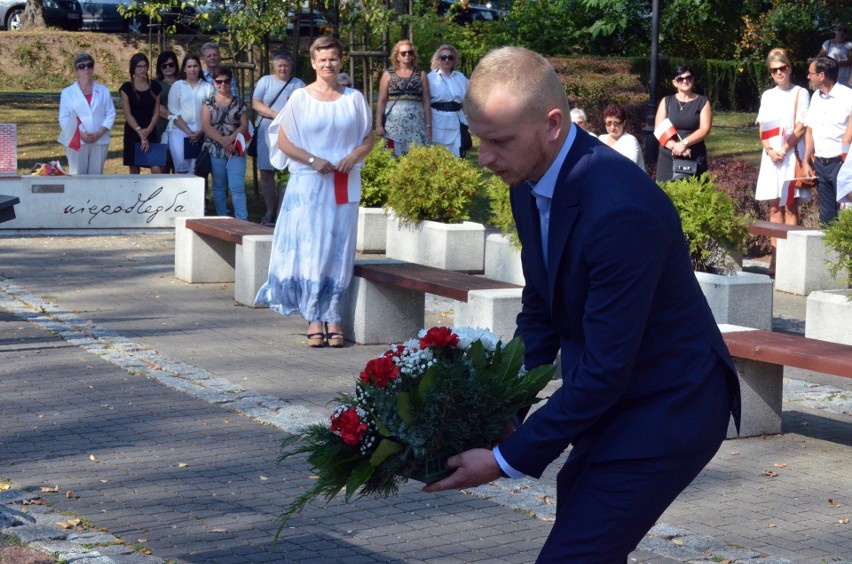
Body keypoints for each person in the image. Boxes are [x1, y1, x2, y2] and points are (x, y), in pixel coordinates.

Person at [422, 46, 741, 563]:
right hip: (614, 394)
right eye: (479, 139)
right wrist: (503, 407)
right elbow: (542, 314)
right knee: (582, 531)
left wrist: (504, 458)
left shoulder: (620, 208)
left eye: (499, 141)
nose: (484, 158)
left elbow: (605, 370)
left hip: (669, 403)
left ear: (552, 124)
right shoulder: (527, 181)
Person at [254, 36, 373, 348]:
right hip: (310, 182)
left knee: (339, 246)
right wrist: (312, 159)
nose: (328, 64)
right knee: (312, 247)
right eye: (322, 59)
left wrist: (352, 156)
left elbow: (367, 139)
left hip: (343, 182)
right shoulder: (300, 98)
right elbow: (283, 140)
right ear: (313, 63)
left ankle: (334, 315)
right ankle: (313, 316)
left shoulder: (354, 99)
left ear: (340, 60)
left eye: (333, 58)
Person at [754, 48, 809, 269]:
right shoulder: (768, 95)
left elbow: (802, 126)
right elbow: (762, 126)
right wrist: (769, 150)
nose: (779, 73)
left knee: (790, 206)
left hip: (789, 155)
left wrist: (784, 149)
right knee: (774, 207)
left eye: (782, 68)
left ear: (789, 68)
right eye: (774, 69)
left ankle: (790, 260)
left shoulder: (800, 92)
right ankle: (776, 257)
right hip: (772, 156)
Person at [251, 49, 305, 225]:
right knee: (266, 172)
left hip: (290, 130)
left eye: (286, 66)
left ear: (291, 67)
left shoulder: (298, 84)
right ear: (274, 66)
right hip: (267, 127)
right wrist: (275, 114)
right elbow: (256, 103)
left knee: (284, 173)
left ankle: (282, 211)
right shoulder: (265, 81)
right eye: (280, 66)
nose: (283, 69)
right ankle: (269, 211)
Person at [804, 56, 852, 225]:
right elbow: (810, 130)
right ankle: (828, 251)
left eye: (811, 73)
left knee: (846, 215)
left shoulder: (848, 97)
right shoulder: (816, 97)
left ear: (822, 75)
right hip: (821, 164)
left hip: (842, 164)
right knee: (827, 217)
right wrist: (806, 161)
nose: (808, 77)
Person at [201, 67, 249, 220]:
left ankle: (242, 220)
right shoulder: (208, 103)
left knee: (237, 187)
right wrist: (223, 141)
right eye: (219, 81)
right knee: (219, 187)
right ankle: (222, 219)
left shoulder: (240, 103)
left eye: (226, 81)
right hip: (215, 149)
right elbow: (206, 126)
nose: (223, 84)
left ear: (231, 81)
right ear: (214, 83)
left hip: (236, 149)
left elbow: (244, 125)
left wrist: (231, 139)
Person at [58, 53, 115, 175]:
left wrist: (100, 132)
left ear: (93, 68)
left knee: (96, 176)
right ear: (76, 71)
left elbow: (110, 114)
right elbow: (63, 118)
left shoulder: (104, 91)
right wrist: (80, 134)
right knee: (77, 175)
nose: (86, 69)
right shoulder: (67, 93)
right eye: (82, 66)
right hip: (77, 140)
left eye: (89, 65)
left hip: (99, 140)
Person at [654, 65, 712, 182]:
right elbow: (659, 128)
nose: (685, 81)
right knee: (665, 195)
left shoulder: (703, 102)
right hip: (668, 157)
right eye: (680, 79)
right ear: (674, 83)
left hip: (693, 156)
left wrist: (684, 143)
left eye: (688, 77)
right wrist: (674, 146)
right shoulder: (666, 101)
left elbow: (705, 129)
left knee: (694, 195)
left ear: (693, 80)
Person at [375, 39, 431, 156]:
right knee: (392, 155)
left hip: (416, 124)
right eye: (403, 53)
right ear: (397, 56)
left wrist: (428, 126)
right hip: (393, 126)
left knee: (415, 157)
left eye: (410, 52)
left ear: (413, 55)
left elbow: (426, 101)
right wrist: (379, 124)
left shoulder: (421, 74)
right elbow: (381, 100)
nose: (407, 55)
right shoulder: (388, 74)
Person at [168, 55, 214, 174]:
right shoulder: (177, 86)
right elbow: (173, 113)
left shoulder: (207, 87)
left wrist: (200, 132)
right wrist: (189, 132)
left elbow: (212, 113)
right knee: (181, 170)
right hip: (180, 131)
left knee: (197, 170)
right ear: (184, 69)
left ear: (199, 68)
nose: (192, 69)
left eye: (195, 66)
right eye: (189, 66)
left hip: (201, 131)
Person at [119, 53, 163, 174]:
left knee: (156, 167)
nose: (142, 69)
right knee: (134, 169)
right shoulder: (126, 88)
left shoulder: (155, 86)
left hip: (151, 130)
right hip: (133, 131)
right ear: (133, 68)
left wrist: (148, 130)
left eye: (145, 66)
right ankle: (135, 193)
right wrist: (140, 132)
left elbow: (156, 111)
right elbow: (127, 114)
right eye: (139, 66)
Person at [427, 44, 469, 157]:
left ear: (454, 60)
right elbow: (425, 102)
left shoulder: (461, 78)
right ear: (438, 60)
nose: (447, 60)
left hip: (457, 120)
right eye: (443, 57)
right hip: (438, 121)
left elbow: (468, 100)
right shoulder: (430, 78)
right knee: (439, 155)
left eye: (450, 57)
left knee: (458, 155)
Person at [597, 103, 645, 169]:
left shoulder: (630, 141)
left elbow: (627, 166)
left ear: (623, 123)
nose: (612, 127)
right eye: (609, 123)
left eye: (616, 123)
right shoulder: (601, 139)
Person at [154, 50, 179, 173]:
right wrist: (175, 118)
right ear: (160, 68)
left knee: (179, 166)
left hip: (181, 130)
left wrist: (180, 123)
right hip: (161, 128)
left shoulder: (183, 82)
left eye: (171, 64)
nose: (168, 68)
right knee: (162, 166)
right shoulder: (155, 84)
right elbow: (155, 107)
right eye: (164, 65)